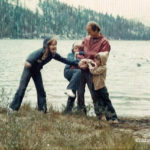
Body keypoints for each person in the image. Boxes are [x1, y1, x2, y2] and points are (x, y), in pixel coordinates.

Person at [8, 37, 81, 115]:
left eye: (55, 44)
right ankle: (12, 108)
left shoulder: (53, 54)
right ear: (47, 46)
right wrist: (29, 63)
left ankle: (42, 110)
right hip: (28, 69)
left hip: (36, 71)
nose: (54, 46)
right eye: (52, 45)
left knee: (41, 90)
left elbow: (64, 60)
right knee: (22, 88)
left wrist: (78, 63)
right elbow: (29, 59)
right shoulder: (41, 52)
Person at [77, 21, 111, 115]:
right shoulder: (86, 39)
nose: (88, 34)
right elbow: (79, 52)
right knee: (79, 92)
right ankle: (81, 113)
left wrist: (92, 63)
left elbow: (103, 59)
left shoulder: (104, 42)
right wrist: (82, 60)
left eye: (90, 31)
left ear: (96, 30)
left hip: (93, 71)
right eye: (87, 32)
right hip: (82, 69)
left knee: (95, 94)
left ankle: (100, 114)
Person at [87, 52, 118, 123]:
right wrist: (92, 62)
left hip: (102, 88)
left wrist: (89, 64)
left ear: (102, 61)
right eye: (95, 60)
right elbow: (94, 67)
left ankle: (114, 117)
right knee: (101, 103)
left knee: (107, 103)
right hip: (96, 88)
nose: (96, 61)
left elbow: (93, 72)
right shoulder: (97, 66)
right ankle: (108, 118)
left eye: (97, 60)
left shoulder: (103, 68)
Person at [63, 42, 84, 114]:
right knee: (72, 89)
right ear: (72, 48)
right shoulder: (70, 55)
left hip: (76, 74)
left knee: (73, 92)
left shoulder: (82, 55)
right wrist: (78, 58)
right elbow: (71, 61)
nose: (77, 50)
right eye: (75, 48)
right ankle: (69, 88)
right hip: (68, 72)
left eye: (79, 48)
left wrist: (80, 54)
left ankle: (68, 110)